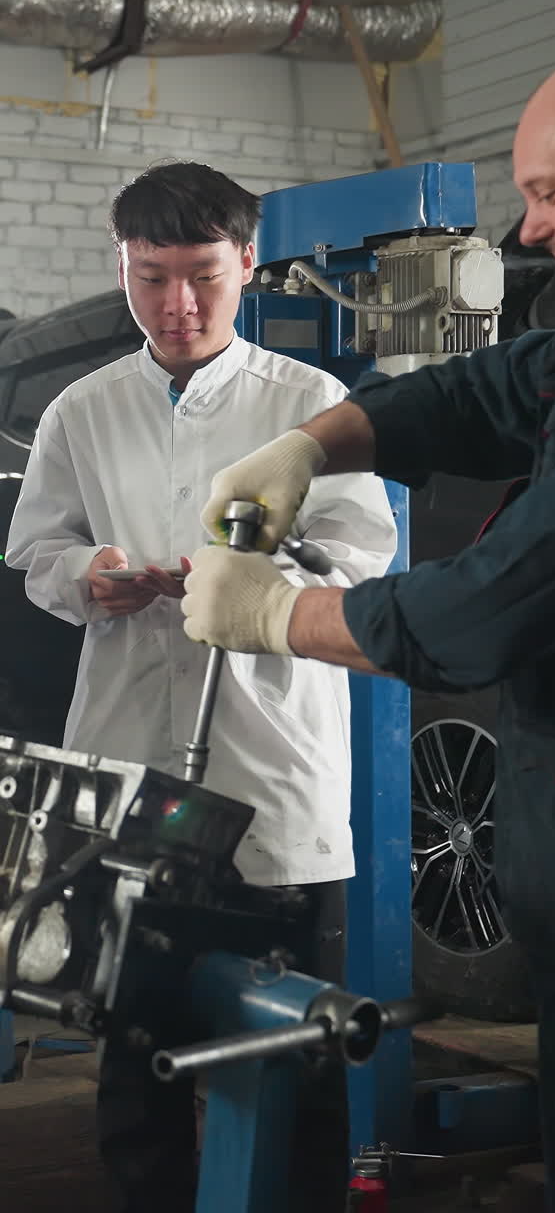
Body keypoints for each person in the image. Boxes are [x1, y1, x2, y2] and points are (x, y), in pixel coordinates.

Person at [181, 43, 555, 1213]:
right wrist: (317, 441)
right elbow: (491, 389)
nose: (528, 233)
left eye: (546, 192)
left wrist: (275, 612)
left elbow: (491, 605)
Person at [5, 160, 396, 1213]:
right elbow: (36, 548)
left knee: (291, 1041)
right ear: (121, 267)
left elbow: (362, 556)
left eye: (202, 277)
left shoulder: (308, 403)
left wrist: (254, 580)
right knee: (134, 1056)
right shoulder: (83, 411)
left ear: (248, 264)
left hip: (270, 768)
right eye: (150, 277)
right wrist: (92, 577)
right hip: (129, 769)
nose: (176, 304)